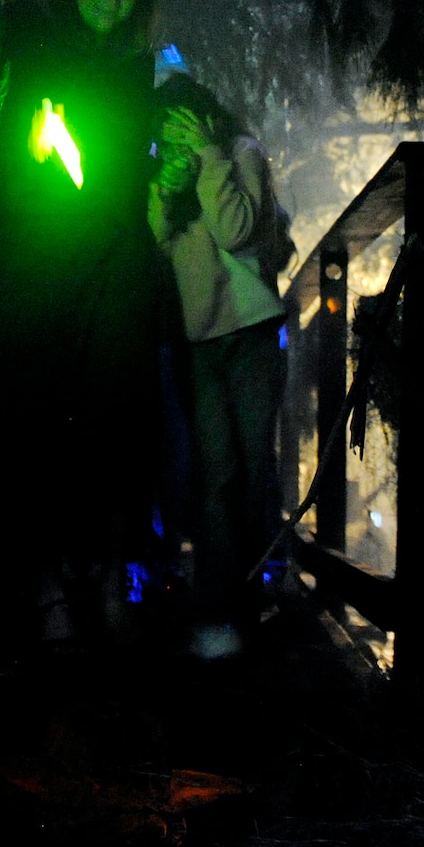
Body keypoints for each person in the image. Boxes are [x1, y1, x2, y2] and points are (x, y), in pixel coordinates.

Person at [0, 0, 173, 649]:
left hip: (107, 271)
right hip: (32, 269)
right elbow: (16, 153)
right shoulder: (29, 40)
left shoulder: (137, 68)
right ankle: (35, 589)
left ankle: (100, 582)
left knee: (105, 427)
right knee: (26, 424)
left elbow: (130, 176)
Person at [149, 71, 292, 656]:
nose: (177, 140)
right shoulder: (166, 174)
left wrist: (210, 160)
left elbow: (236, 232)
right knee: (216, 475)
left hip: (252, 333)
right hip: (201, 340)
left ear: (204, 117)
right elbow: (153, 239)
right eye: (167, 132)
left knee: (254, 469)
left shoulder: (241, 155)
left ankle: (255, 596)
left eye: (184, 127)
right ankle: (216, 604)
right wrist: (165, 186)